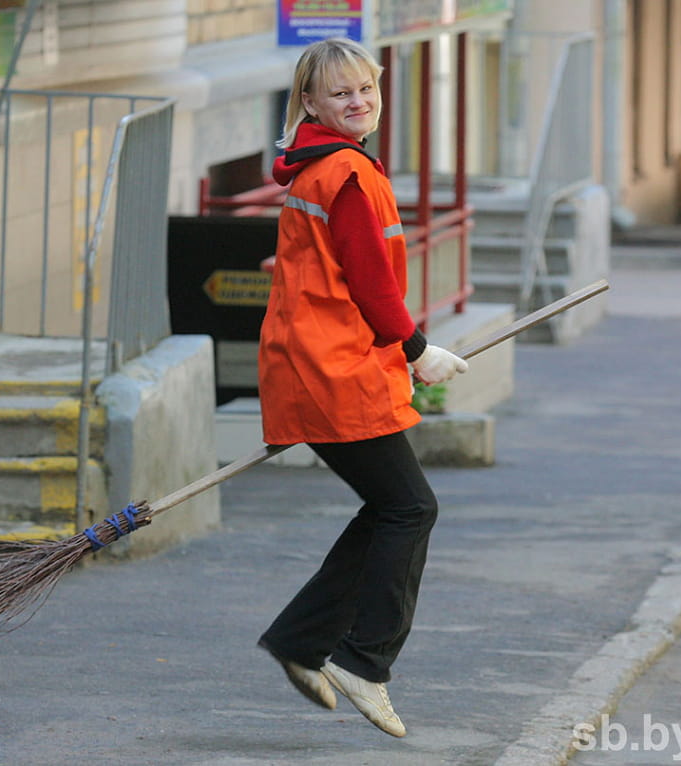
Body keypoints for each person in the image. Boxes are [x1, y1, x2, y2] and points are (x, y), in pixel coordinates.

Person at [256, 38, 468, 738]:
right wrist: (417, 350)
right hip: (332, 371)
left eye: (366, 91)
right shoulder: (345, 173)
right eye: (341, 93)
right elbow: (370, 281)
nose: (357, 102)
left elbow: (325, 267)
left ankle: (298, 639)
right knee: (410, 508)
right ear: (310, 103)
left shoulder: (318, 169)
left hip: (317, 366)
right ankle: (364, 661)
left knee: (388, 509)